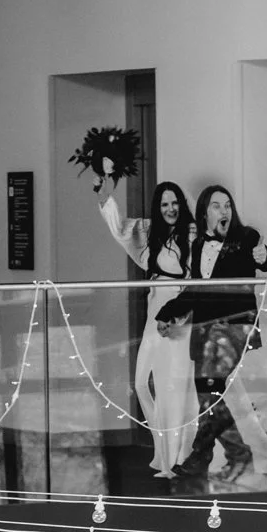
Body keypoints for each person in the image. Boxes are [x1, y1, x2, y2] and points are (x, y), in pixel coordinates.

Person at [158, 185, 267, 488]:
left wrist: (263, 255)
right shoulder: (198, 246)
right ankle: (238, 453)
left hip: (236, 326)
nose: (224, 211)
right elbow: (197, 289)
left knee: (210, 392)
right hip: (207, 329)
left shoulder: (245, 236)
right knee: (209, 396)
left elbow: (262, 258)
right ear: (204, 213)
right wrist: (169, 312)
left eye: (227, 205)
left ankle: (201, 457)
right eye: (216, 206)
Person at [98, 179, 197, 475]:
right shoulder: (149, 231)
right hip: (155, 310)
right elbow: (118, 227)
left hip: (179, 313)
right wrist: (104, 189)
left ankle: (174, 458)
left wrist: (182, 315)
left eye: (174, 202)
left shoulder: (192, 235)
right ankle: (164, 447)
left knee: (173, 386)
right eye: (164, 203)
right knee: (142, 383)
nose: (170, 208)